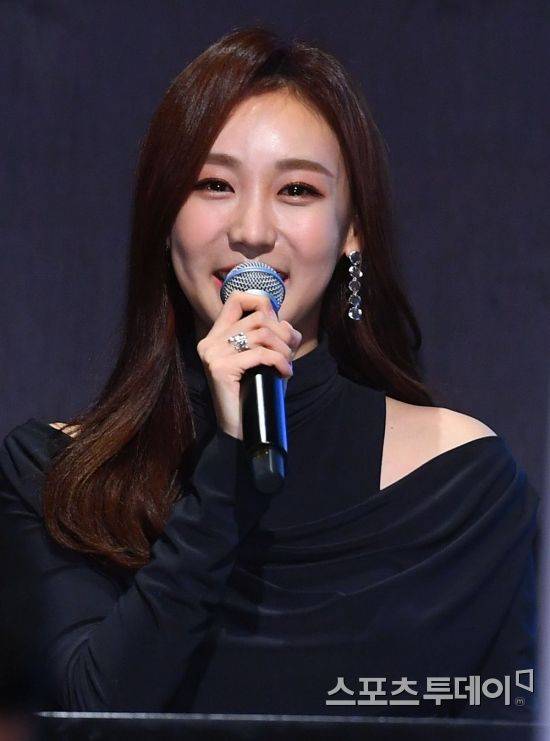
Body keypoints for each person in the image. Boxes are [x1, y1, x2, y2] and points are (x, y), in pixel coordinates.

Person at [0, 25, 539, 719]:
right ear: (166, 217)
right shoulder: (54, 480)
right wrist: (227, 474)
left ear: (352, 230)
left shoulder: (462, 485)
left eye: (297, 190)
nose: (252, 230)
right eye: (215, 184)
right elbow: (87, 713)